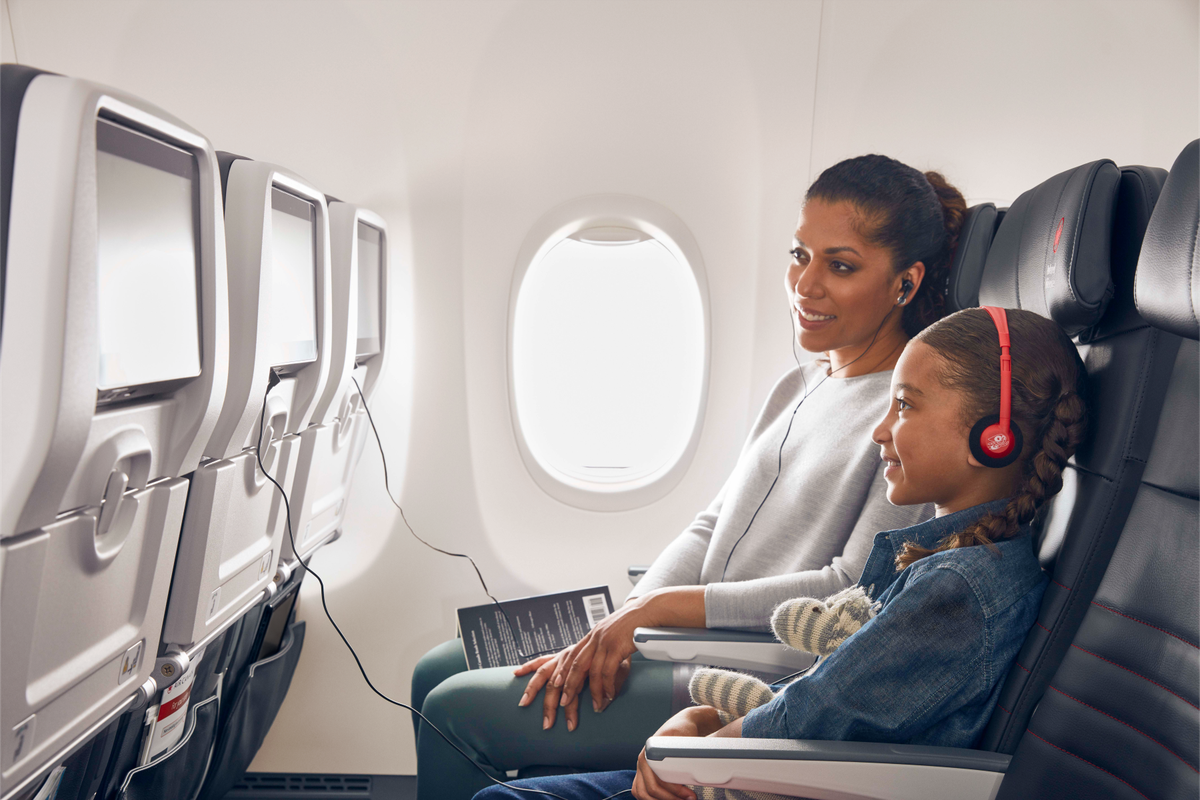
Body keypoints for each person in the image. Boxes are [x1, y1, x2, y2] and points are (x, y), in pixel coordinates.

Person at [413, 155, 966, 800]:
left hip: (749, 670)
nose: (805, 285)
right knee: (435, 668)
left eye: (840, 266)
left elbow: (851, 588)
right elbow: (711, 525)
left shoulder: (904, 414)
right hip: (684, 638)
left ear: (905, 283)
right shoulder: (799, 384)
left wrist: (657, 612)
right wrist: (627, 620)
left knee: (453, 710)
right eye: (799, 255)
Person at [473, 306, 1088, 800]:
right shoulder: (943, 558)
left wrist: (689, 748)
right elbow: (828, 685)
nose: (881, 429)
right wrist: (698, 721)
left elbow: (815, 713)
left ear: (993, 437)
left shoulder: (956, 590)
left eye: (904, 405)